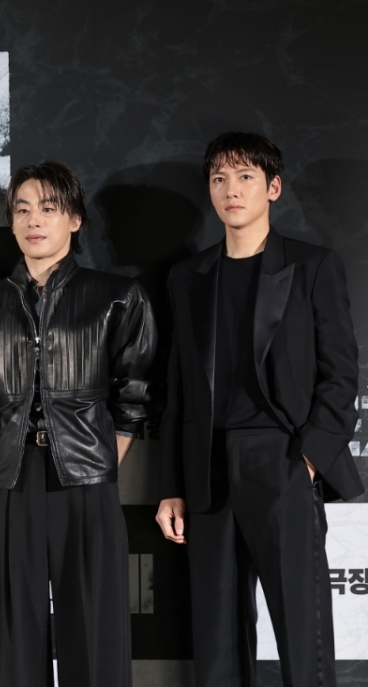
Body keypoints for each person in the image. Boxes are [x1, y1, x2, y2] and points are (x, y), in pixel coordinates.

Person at [156, 132, 364, 687]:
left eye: (245, 177)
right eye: (219, 178)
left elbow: (341, 375)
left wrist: (308, 461)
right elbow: (178, 388)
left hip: (282, 457)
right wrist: (172, 485)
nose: (231, 189)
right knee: (217, 640)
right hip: (208, 466)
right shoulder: (188, 277)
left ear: (272, 187)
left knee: (302, 629)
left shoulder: (312, 266)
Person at [0, 160, 155, 687]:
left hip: (89, 480)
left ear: (74, 219)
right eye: (23, 209)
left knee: (94, 629)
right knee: (16, 630)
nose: (34, 220)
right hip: (12, 479)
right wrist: (15, 436)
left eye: (48, 208)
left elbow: (135, 391)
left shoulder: (117, 296)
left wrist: (102, 458)